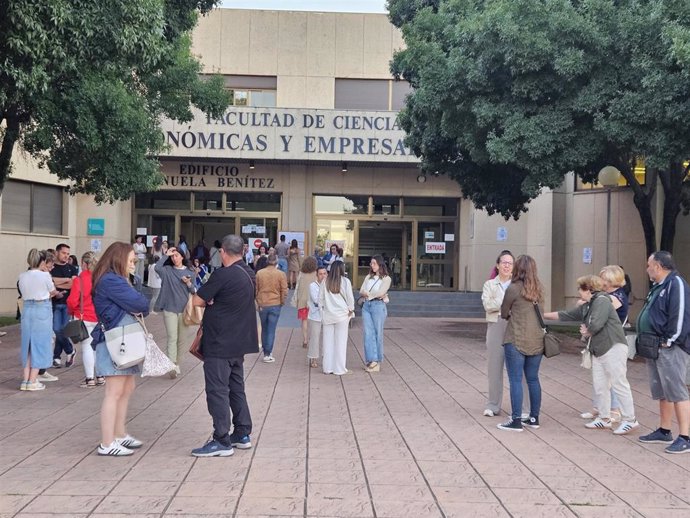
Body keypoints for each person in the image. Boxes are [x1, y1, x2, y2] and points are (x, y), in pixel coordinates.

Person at [190, 235, 258, 456]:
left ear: (223, 252)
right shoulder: (249, 274)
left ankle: (221, 440)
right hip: (239, 342)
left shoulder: (223, 275)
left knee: (217, 390)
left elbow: (198, 300)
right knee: (236, 388)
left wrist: (211, 299)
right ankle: (241, 433)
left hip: (219, 342)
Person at [544, 275, 639, 435]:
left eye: (580, 289)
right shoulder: (590, 304)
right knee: (600, 384)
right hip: (600, 348)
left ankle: (630, 419)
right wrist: (542, 315)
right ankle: (604, 417)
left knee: (618, 383)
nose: (578, 293)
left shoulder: (601, 301)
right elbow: (567, 315)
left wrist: (587, 331)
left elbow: (596, 323)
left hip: (612, 346)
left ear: (588, 289)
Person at [91, 242, 149, 456]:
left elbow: (138, 304)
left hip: (123, 342)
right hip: (115, 343)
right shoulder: (112, 281)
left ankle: (119, 435)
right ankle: (107, 443)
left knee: (125, 389)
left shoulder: (114, 280)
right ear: (119, 258)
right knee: (114, 392)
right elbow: (141, 305)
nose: (134, 264)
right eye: (132, 260)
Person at [636, 251, 690, 454]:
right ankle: (664, 430)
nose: (647, 269)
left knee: (677, 391)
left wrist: (669, 341)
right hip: (655, 346)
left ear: (658, 266)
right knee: (663, 392)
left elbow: (680, 314)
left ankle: (685, 437)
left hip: (670, 347)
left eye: (649, 265)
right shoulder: (660, 286)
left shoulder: (676, 283)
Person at [497, 255, 545, 432]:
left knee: (515, 379)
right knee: (533, 379)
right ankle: (534, 417)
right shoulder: (539, 290)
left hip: (516, 338)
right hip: (537, 340)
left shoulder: (513, 288)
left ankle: (516, 419)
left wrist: (512, 315)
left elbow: (503, 312)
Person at [481, 251, 527, 418]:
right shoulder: (490, 285)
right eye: (504, 262)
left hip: (515, 326)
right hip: (496, 325)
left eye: (510, 263)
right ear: (498, 265)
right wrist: (507, 302)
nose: (507, 265)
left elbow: (520, 306)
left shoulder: (519, 285)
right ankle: (493, 405)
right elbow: (488, 305)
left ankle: (524, 408)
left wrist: (499, 303)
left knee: (519, 368)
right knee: (494, 367)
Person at [18, 249, 58, 391]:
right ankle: (33, 380)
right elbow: (52, 291)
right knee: (40, 343)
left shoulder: (22, 276)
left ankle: (26, 379)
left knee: (27, 344)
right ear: (41, 261)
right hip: (42, 308)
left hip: (27, 309)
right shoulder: (45, 275)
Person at [155, 246, 197, 377]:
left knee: (182, 339)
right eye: (172, 256)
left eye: (176, 255)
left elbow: (194, 291)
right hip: (169, 309)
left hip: (184, 310)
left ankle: (177, 364)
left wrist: (189, 283)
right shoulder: (167, 270)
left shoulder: (190, 272)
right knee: (172, 337)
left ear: (182, 257)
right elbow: (157, 268)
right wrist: (165, 255)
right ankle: (171, 364)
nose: (174, 258)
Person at [66, 252, 104, 388]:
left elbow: (72, 301)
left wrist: (71, 312)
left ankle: (90, 379)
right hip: (99, 317)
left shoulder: (80, 280)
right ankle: (100, 376)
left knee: (87, 347)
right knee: (97, 348)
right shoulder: (101, 279)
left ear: (85, 264)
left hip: (83, 316)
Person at [319, 261, 354, 376]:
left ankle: (327, 368)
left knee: (327, 342)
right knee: (341, 342)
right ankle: (339, 369)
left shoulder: (325, 281)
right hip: (342, 316)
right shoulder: (345, 281)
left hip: (328, 315)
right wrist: (350, 310)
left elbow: (320, 300)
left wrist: (322, 313)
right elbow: (350, 298)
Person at [360, 254, 392, 373]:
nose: (371, 265)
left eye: (374, 263)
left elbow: (381, 292)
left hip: (378, 306)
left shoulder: (386, 278)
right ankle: (371, 359)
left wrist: (369, 294)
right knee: (368, 333)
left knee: (378, 333)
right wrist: (370, 294)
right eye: (371, 263)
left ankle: (377, 360)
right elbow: (361, 290)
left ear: (380, 264)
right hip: (367, 306)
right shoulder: (368, 277)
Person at [255, 253, 287, 363]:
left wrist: (257, 302)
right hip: (275, 303)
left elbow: (256, 289)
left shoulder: (259, 273)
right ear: (276, 262)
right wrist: (282, 302)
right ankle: (268, 352)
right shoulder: (281, 274)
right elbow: (284, 290)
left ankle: (265, 351)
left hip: (263, 303)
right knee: (271, 329)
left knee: (264, 328)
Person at [51, 243, 78, 369]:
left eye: (68, 254)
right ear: (57, 253)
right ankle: (70, 351)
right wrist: (65, 280)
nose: (66, 256)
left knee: (62, 330)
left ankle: (56, 357)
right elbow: (50, 282)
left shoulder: (72, 268)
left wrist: (57, 282)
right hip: (55, 304)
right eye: (63, 253)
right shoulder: (51, 266)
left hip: (68, 304)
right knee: (57, 330)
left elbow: (73, 285)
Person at [307, 266, 328, 368]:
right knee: (315, 337)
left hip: (327, 315)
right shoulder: (312, 286)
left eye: (324, 273)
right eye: (320, 274)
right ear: (317, 275)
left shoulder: (329, 285)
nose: (323, 276)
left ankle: (326, 357)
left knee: (327, 338)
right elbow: (316, 300)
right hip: (315, 315)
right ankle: (313, 358)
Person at [296, 256, 318, 349]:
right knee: (313, 321)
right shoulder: (316, 274)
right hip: (313, 301)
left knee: (304, 320)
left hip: (302, 300)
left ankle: (305, 340)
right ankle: (312, 339)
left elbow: (298, 287)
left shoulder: (301, 274)